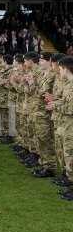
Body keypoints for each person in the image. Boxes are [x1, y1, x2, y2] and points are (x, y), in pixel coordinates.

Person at [46, 56, 73, 201]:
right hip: (65, 125)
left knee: (70, 156)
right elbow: (65, 100)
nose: (59, 71)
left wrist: (55, 105)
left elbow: (70, 108)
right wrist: (55, 101)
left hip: (70, 126)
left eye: (60, 68)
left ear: (65, 68)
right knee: (66, 155)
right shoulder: (68, 84)